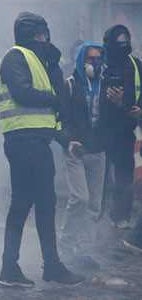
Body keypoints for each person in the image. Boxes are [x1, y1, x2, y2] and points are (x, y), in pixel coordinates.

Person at [0, 12, 84, 287]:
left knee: (43, 203)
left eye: (45, 34)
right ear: (25, 35)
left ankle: (46, 265)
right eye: (38, 35)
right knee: (26, 203)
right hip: (23, 141)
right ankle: (15, 267)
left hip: (39, 141)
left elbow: (53, 113)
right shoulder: (15, 56)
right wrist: (55, 97)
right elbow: (23, 93)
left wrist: (65, 138)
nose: (43, 39)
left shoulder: (46, 62)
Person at [60, 42, 106, 271]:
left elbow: (113, 118)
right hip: (76, 150)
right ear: (81, 60)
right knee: (80, 198)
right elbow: (61, 117)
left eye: (98, 59)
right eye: (90, 59)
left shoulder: (106, 85)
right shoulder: (69, 85)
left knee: (94, 204)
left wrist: (119, 103)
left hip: (98, 150)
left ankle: (85, 251)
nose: (95, 63)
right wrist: (69, 140)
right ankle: (66, 247)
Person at [100, 25, 142, 229]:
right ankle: (96, 215)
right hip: (101, 129)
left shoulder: (136, 65)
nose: (123, 43)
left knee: (124, 175)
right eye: (119, 40)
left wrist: (137, 110)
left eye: (125, 39)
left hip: (126, 130)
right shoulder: (99, 64)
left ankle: (121, 216)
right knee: (100, 175)